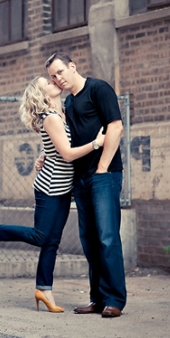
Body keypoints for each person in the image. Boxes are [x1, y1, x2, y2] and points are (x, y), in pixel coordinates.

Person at [0, 76, 105, 313]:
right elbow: (67, 154)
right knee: (42, 236)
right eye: (49, 83)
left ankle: (44, 290)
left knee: (52, 242)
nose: (55, 82)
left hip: (63, 187)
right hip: (50, 186)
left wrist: (43, 152)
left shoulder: (62, 112)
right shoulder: (51, 118)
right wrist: (96, 143)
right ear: (44, 96)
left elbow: (56, 143)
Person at [45, 52, 126, 318]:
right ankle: (98, 299)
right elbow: (66, 139)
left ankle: (115, 300)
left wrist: (102, 168)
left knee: (107, 237)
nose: (57, 78)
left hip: (104, 176)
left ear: (72, 66)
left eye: (60, 72)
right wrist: (44, 154)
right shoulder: (68, 102)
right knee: (90, 241)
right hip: (80, 179)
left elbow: (116, 127)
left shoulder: (98, 89)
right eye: (52, 76)